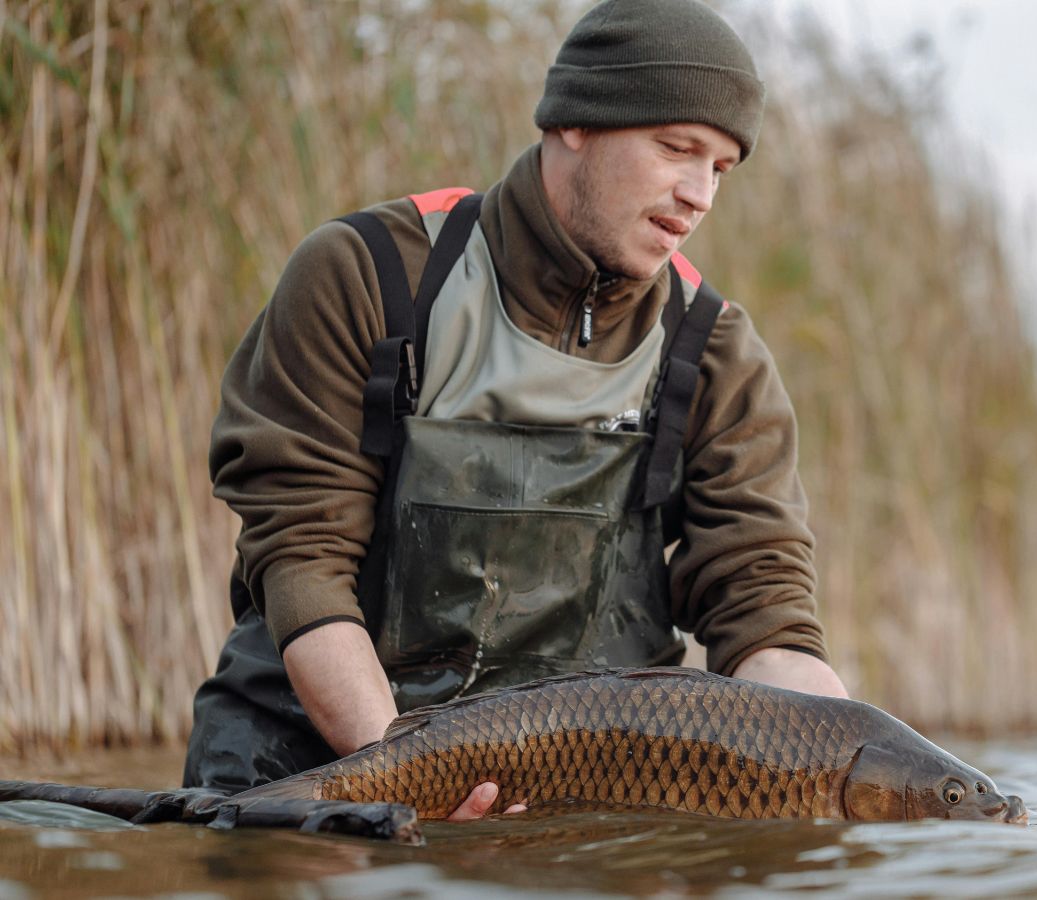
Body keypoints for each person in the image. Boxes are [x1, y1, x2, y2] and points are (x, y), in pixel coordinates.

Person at [183, 0, 847, 819]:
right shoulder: (369, 276)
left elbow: (766, 609)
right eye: (677, 148)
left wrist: (849, 762)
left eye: (721, 166)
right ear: (574, 121)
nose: (699, 192)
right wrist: (404, 780)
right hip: (311, 769)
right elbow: (302, 560)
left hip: (579, 806)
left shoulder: (714, 350)